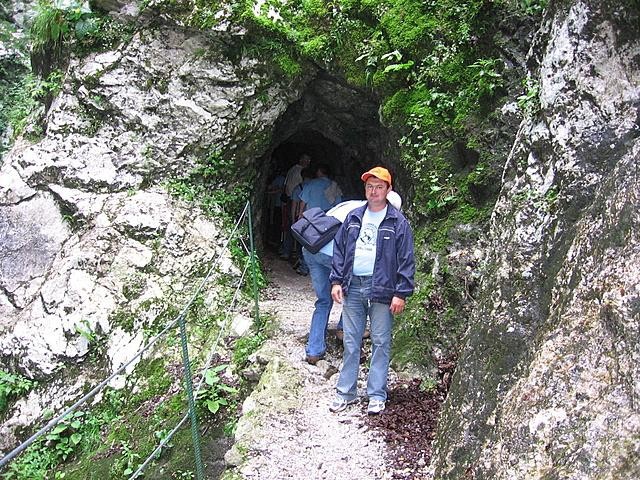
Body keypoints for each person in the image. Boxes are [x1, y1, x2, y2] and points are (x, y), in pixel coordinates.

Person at [328, 166, 415, 415]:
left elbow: (406, 259)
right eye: (369, 187)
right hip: (354, 285)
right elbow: (340, 250)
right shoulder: (354, 217)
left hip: (383, 289)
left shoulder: (398, 222)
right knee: (351, 341)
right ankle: (345, 393)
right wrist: (336, 281)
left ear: (388, 190)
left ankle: (376, 395)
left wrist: (401, 293)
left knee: (380, 341)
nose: (373, 191)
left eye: (379, 187)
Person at [302, 190, 402, 366]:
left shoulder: (349, 204)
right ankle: (343, 330)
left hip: (311, 249)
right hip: (333, 255)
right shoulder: (369, 216)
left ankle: (314, 350)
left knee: (324, 301)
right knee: (353, 289)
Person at [280, 154, 311, 260]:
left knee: (290, 227)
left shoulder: (291, 169)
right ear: (302, 160)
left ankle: (286, 251)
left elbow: (285, 184)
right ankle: (297, 254)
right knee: (298, 229)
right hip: (297, 201)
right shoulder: (300, 172)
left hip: (291, 199)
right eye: (307, 160)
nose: (308, 162)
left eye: (309, 160)